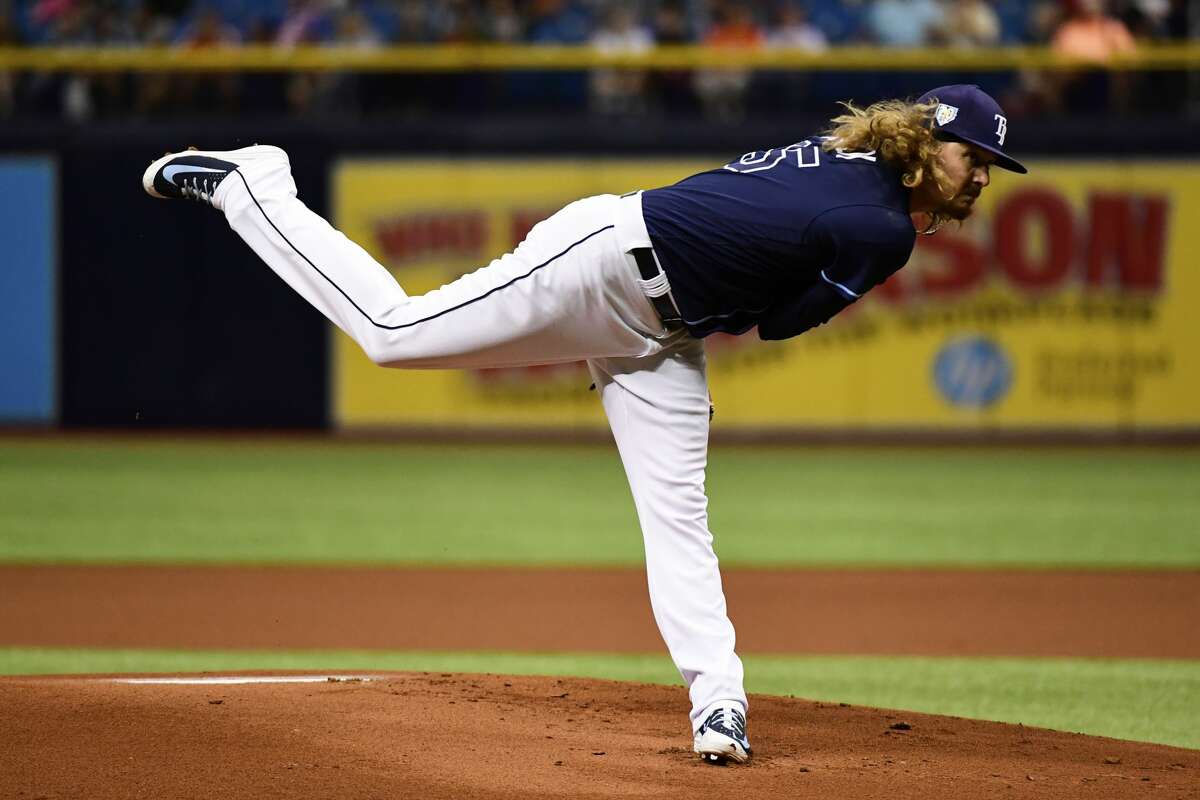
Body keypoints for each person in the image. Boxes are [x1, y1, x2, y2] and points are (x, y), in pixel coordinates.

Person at [141, 83, 1026, 765]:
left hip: (661, 330)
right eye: (974, 157)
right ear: (928, 141)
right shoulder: (879, 225)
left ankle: (719, 702)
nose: (982, 177)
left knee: (679, 514)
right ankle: (257, 187)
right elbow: (783, 322)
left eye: (991, 167)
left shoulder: (849, 159)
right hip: (601, 263)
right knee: (390, 335)